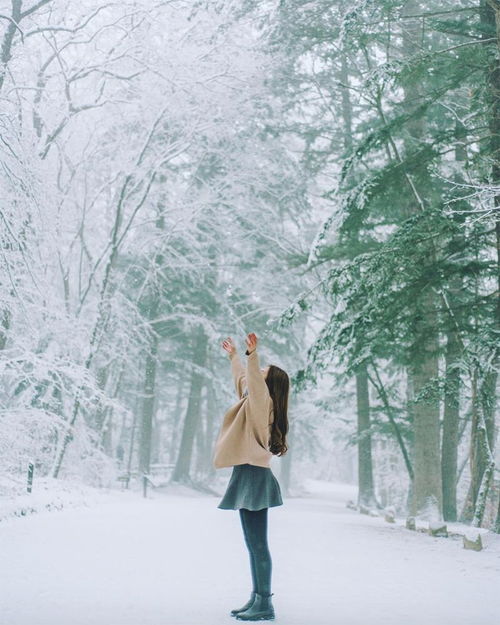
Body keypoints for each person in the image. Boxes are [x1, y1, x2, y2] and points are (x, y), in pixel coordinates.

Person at [212, 332, 290, 621]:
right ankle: (257, 597)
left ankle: (265, 603)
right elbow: (243, 381)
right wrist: (234, 357)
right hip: (247, 473)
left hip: (255, 477)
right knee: (251, 542)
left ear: (268, 385)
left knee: (258, 543)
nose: (254, 374)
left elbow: (253, 385)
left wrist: (252, 354)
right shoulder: (251, 402)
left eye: (261, 373)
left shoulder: (263, 404)